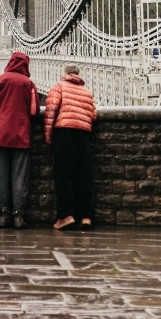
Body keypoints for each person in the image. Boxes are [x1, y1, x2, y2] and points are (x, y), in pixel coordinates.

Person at [0, 51, 40, 229]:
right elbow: (34, 111)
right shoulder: (28, 83)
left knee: (0, 176)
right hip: (21, 135)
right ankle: (18, 214)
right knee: (19, 177)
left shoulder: (0, 80)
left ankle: (4, 213)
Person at [44, 64, 97, 230]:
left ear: (65, 74)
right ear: (78, 75)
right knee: (83, 175)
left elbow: (50, 112)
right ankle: (86, 216)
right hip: (83, 134)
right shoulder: (87, 92)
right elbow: (93, 115)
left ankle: (66, 215)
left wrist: (48, 137)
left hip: (64, 133)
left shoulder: (58, 87)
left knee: (64, 175)